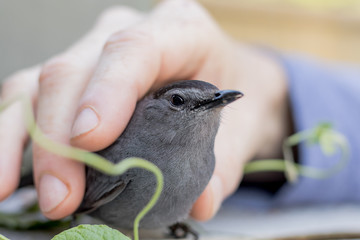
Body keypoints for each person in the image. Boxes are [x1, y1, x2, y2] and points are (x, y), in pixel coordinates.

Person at [0, 0, 359, 222]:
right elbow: (84, 208)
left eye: (217, 100)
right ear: (152, 109)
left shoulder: (207, 162)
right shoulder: (125, 156)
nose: (211, 105)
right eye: (177, 102)